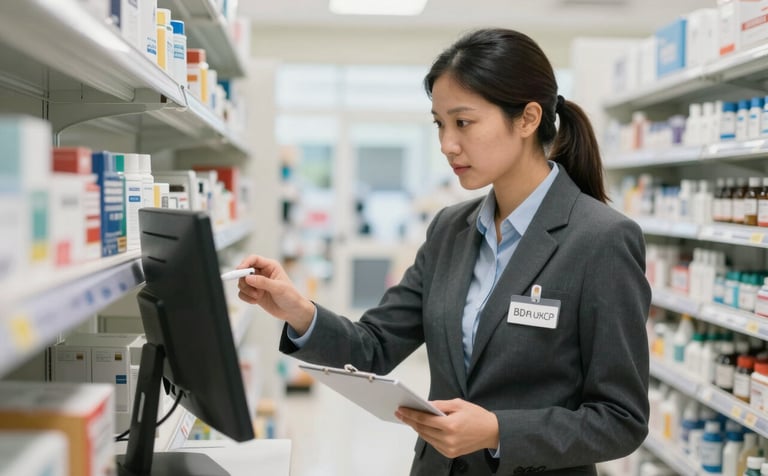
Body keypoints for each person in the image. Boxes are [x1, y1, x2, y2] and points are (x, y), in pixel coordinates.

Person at [237, 28, 651, 476]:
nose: (447, 144)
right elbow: (374, 347)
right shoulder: (451, 229)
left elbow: (621, 419)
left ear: (528, 119)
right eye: (440, 123)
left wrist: (497, 431)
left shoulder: (601, 240)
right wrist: (299, 312)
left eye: (464, 122)